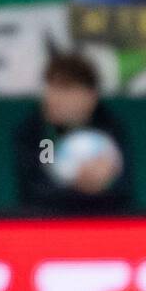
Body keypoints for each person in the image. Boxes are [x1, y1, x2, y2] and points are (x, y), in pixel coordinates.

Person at [13, 52, 134, 216]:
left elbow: (123, 188)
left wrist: (104, 182)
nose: (52, 98)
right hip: (52, 225)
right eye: (50, 87)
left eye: (64, 88)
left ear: (90, 96)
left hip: (103, 223)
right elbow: (40, 187)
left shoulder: (109, 128)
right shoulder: (43, 135)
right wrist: (80, 186)